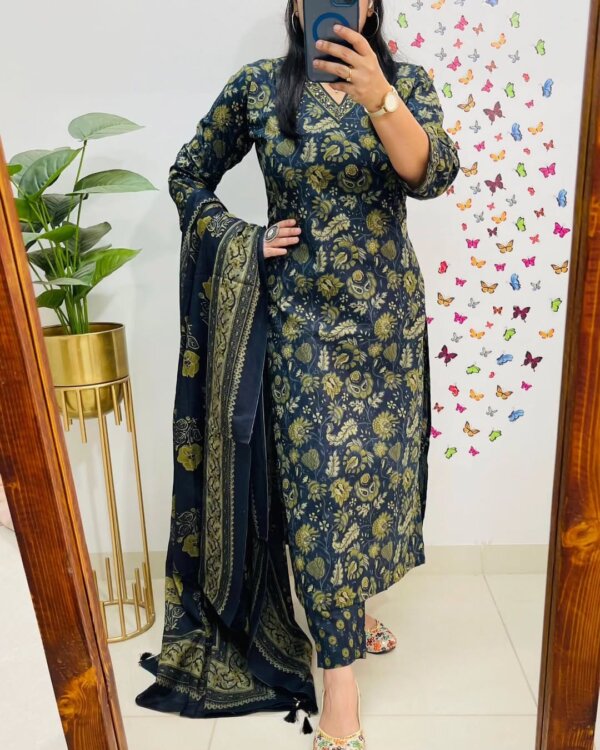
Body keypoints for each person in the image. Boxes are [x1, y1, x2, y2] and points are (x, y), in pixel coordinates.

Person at [135, 2, 460, 748]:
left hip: (386, 327)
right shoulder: (259, 86)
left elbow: (432, 174)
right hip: (300, 323)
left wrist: (381, 96)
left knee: (373, 481)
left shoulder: (405, 83)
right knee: (319, 487)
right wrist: (243, 239)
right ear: (296, 4)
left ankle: (347, 609)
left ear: (371, 4)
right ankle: (338, 683)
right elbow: (188, 173)